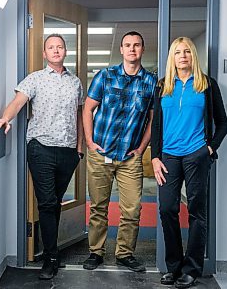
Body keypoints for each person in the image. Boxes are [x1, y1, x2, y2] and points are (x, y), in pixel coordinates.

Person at [0, 34, 84, 280]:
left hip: (68, 151)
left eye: (60, 47)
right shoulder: (35, 78)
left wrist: (80, 148)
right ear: (44, 54)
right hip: (41, 148)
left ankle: (50, 249)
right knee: (46, 203)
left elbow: (79, 116)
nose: (56, 51)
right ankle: (51, 258)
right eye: (51, 48)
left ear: (66, 51)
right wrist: (5, 118)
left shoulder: (75, 83)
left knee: (55, 202)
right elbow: (18, 101)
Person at [151, 37, 227, 288]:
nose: (182, 56)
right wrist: (154, 156)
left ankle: (191, 268)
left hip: (197, 155)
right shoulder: (163, 86)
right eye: (177, 52)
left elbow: (222, 123)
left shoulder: (206, 84)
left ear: (193, 55)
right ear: (172, 57)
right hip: (169, 156)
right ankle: (173, 267)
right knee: (167, 209)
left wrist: (209, 148)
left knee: (197, 212)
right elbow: (156, 125)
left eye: (187, 52)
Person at [82, 31, 157, 272]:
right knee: (98, 206)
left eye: (136, 45)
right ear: (121, 50)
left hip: (129, 158)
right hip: (100, 154)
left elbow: (152, 121)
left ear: (142, 50)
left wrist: (142, 148)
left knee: (132, 208)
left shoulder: (151, 82)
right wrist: (90, 143)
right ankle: (96, 252)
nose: (132, 49)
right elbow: (88, 109)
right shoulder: (105, 76)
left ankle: (125, 253)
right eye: (127, 45)